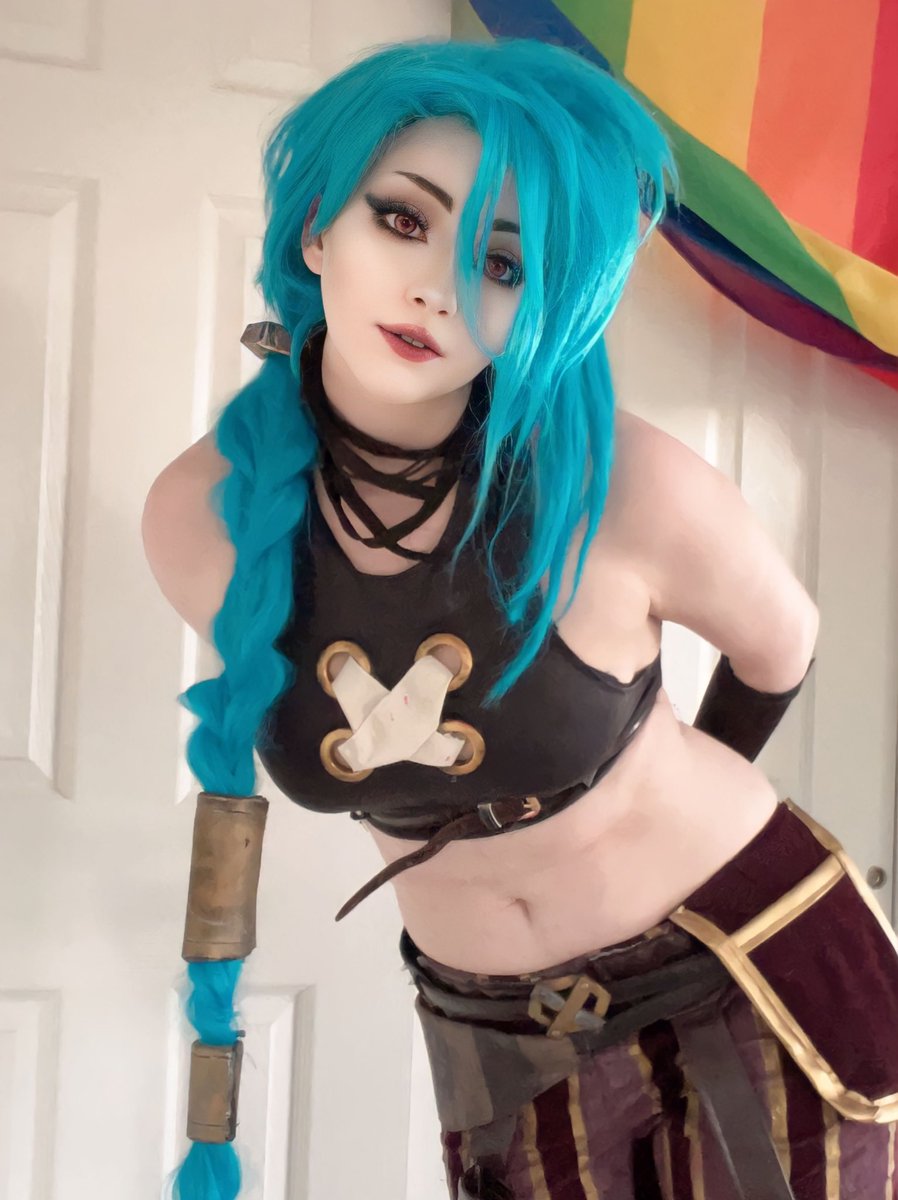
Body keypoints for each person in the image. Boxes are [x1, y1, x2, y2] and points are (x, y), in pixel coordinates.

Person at [142, 36, 898, 1200]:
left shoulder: (623, 485)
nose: (437, 290)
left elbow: (779, 642)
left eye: (502, 261)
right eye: (403, 219)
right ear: (316, 229)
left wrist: (628, 789)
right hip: (494, 1027)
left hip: (746, 961)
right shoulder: (205, 518)